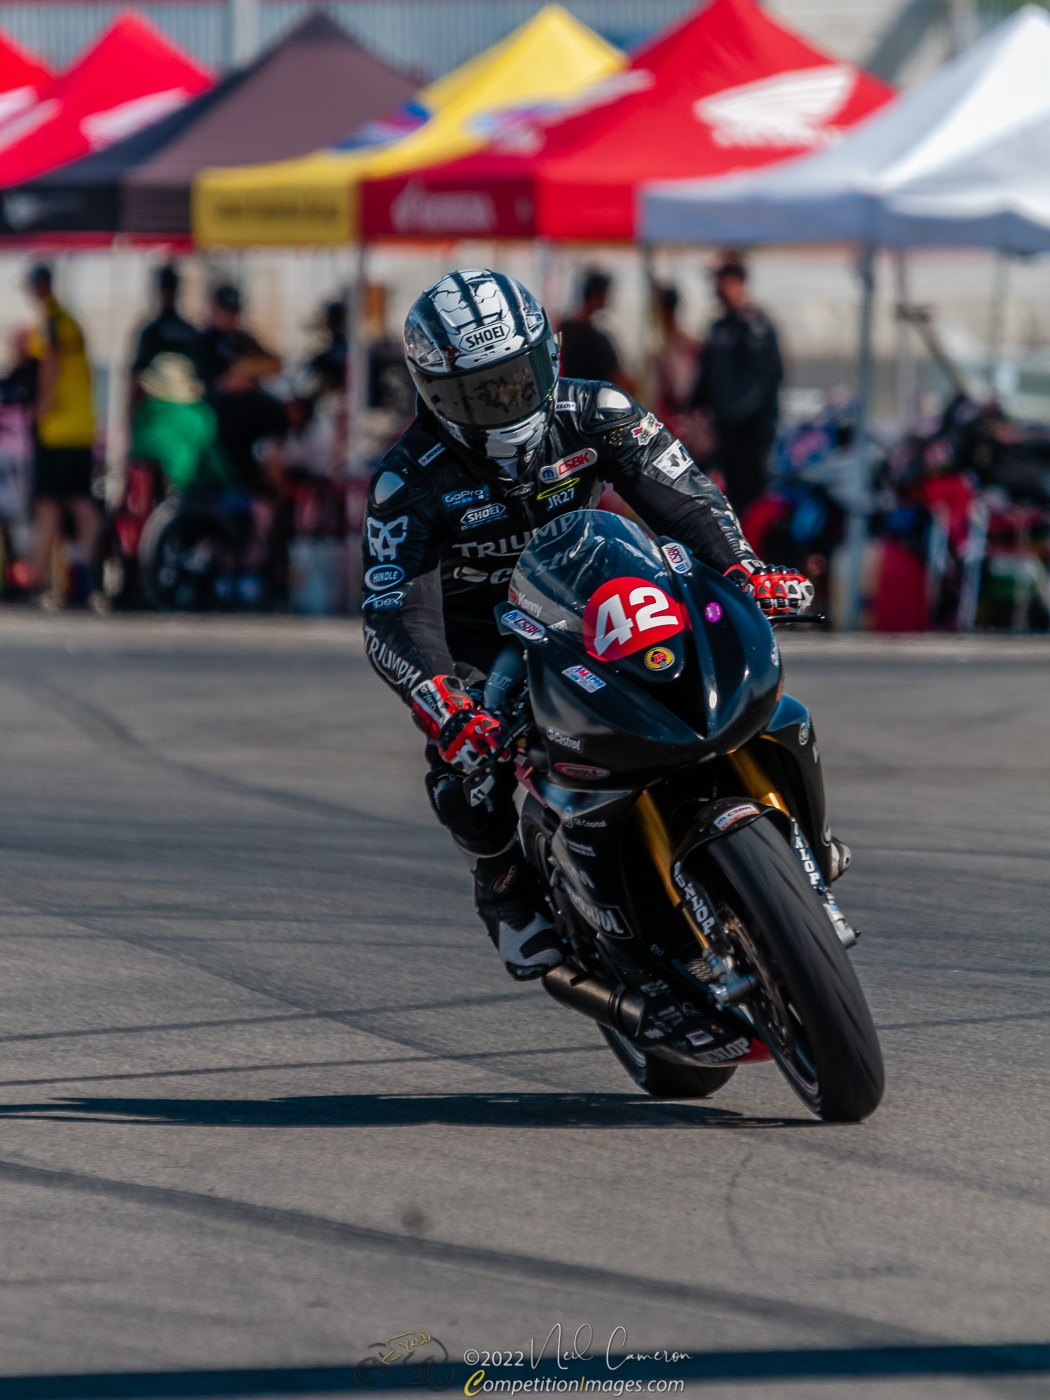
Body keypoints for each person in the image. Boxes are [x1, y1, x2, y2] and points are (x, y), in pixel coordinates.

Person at [361, 268, 834, 983]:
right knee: (466, 777)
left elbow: (683, 493)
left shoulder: (598, 409)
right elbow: (395, 608)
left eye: (513, 381)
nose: (498, 404)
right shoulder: (409, 479)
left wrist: (744, 568)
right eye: (472, 394)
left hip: (597, 595)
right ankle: (505, 889)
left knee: (760, 691)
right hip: (486, 642)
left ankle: (805, 843)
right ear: (429, 393)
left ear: (548, 357)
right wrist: (442, 698)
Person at [24, 265, 99, 607]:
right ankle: (86, 579)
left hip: (58, 428)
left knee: (48, 506)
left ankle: (38, 580)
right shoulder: (72, 322)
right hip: (83, 427)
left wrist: (42, 404)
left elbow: (51, 360)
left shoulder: (52, 321)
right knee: (81, 503)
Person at [692, 257, 783, 517]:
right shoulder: (720, 328)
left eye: (722, 282)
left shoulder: (756, 327)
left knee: (750, 499)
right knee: (725, 499)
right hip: (725, 435)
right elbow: (706, 378)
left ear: (737, 283)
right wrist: (698, 411)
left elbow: (765, 380)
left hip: (751, 436)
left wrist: (730, 418)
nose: (717, 290)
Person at [131, 352, 233, 497]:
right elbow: (213, 462)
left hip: (145, 494)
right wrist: (232, 487)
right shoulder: (200, 415)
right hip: (189, 493)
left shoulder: (144, 413)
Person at [196, 284, 281, 393]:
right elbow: (219, 382)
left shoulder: (244, 339)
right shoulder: (203, 341)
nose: (230, 317)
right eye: (225, 311)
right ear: (214, 309)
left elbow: (275, 364)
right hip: (217, 402)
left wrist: (245, 368)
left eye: (233, 311)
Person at [558, 269, 632, 390]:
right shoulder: (597, 340)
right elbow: (621, 380)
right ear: (598, 296)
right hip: (591, 403)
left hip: (565, 397)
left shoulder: (562, 329)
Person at [130, 265, 200, 383]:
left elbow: (138, 374)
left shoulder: (152, 331)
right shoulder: (189, 330)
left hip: (161, 395)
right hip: (186, 396)